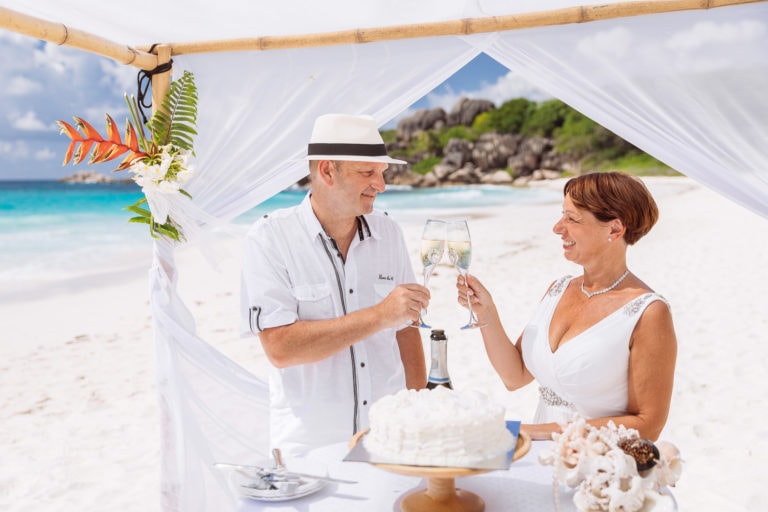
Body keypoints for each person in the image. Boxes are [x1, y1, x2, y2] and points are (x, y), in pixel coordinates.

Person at [241, 113, 428, 456]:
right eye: (368, 173)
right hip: (310, 449)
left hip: (390, 440)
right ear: (327, 171)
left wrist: (416, 410)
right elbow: (280, 348)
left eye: (382, 173)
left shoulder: (389, 232)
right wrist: (379, 316)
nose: (381, 185)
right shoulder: (270, 238)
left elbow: (407, 329)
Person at [457, 172, 677, 441]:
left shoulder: (648, 313)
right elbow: (515, 376)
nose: (558, 227)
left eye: (572, 219)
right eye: (563, 215)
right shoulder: (558, 290)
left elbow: (648, 425)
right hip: (538, 456)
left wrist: (533, 432)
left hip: (596, 465)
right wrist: (486, 314)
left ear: (615, 229)